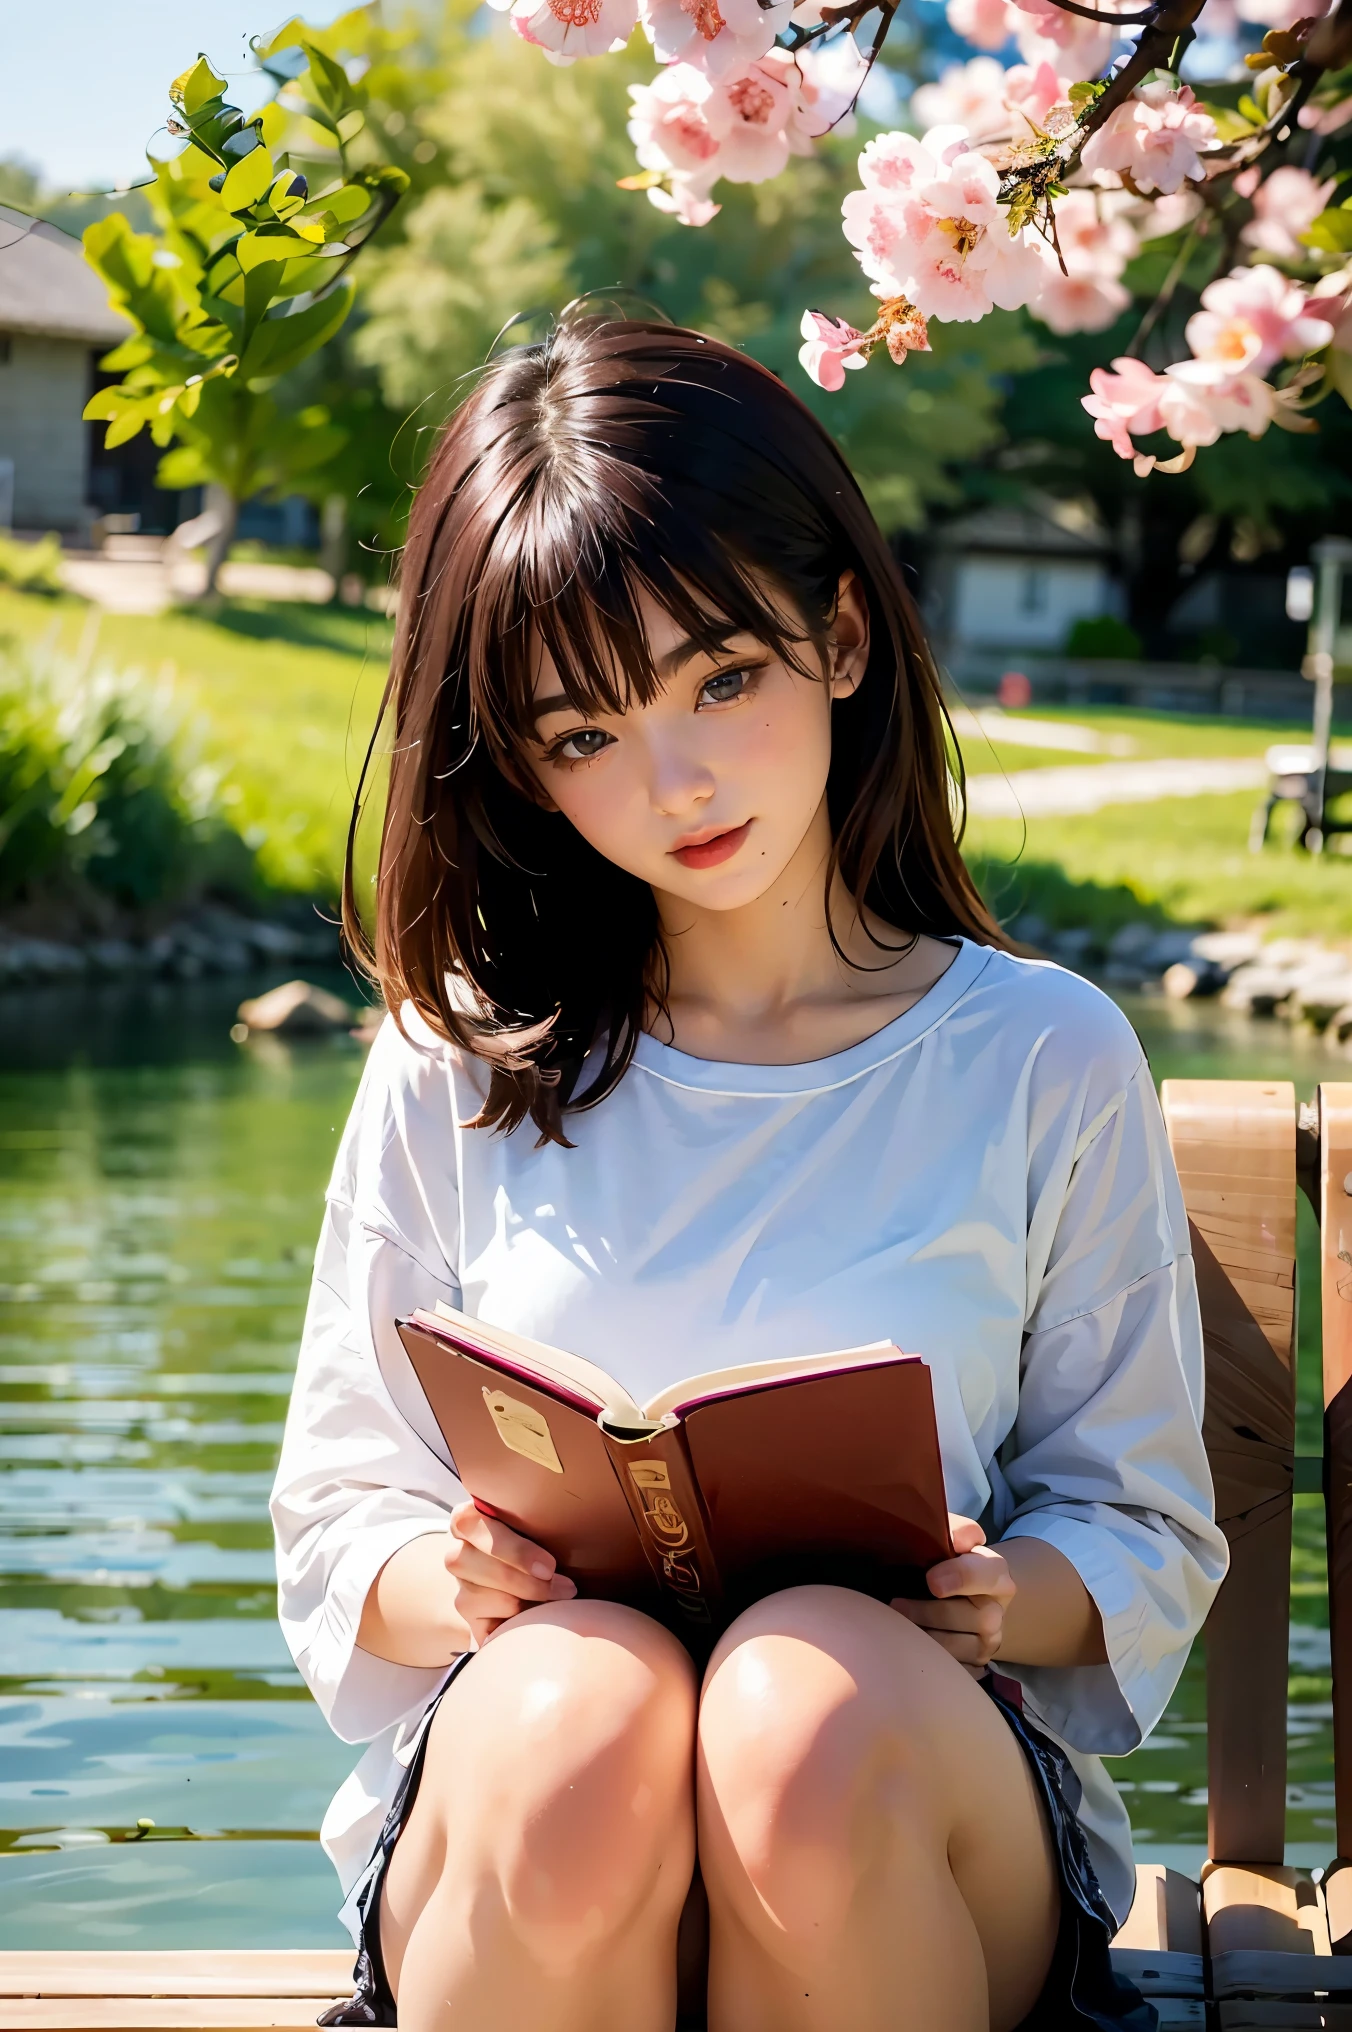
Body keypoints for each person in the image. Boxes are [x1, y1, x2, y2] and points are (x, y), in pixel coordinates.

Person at [270, 314, 1227, 2032]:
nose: (678, 782)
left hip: (906, 1797)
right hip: (528, 1814)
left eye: (722, 680)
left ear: (841, 633)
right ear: (524, 766)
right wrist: (453, 1579)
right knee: (582, 1716)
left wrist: (1009, 1594)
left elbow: (1143, 1522)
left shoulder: (1037, 1056)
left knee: (802, 1713)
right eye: (582, 736)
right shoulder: (461, 1061)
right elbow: (346, 1506)